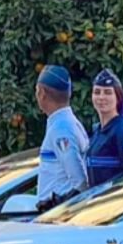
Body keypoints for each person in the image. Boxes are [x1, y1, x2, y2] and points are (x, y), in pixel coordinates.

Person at [32, 64, 90, 212]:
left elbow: (79, 179)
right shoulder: (65, 123)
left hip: (58, 212)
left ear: (42, 93)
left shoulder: (61, 128)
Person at [84, 69, 123, 189]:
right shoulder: (98, 132)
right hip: (96, 203)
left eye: (107, 92)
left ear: (118, 97)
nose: (101, 97)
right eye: (97, 92)